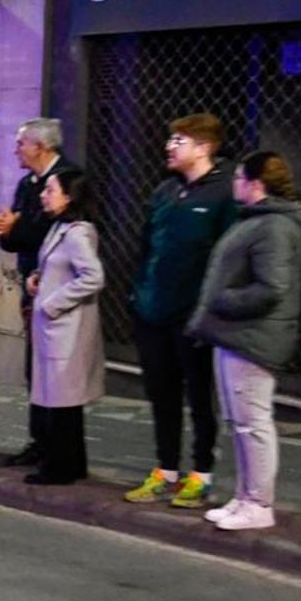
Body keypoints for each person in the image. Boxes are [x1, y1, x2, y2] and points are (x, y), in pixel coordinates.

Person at [187, 151, 301, 531]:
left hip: (253, 336)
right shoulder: (260, 220)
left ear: (255, 183)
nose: (234, 183)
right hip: (236, 334)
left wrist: (221, 300)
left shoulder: (274, 226)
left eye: (239, 177)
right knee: (240, 421)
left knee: (253, 423)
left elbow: (273, 287)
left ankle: (259, 504)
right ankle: (245, 497)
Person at [125, 113, 238, 508]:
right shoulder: (166, 191)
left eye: (179, 141)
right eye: (170, 139)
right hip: (153, 310)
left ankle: (201, 474)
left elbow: (230, 258)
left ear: (204, 147)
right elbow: (146, 246)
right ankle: (166, 469)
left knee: (200, 397)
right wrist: (138, 296)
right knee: (161, 394)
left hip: (196, 316)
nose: (169, 147)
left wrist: (211, 309)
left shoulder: (225, 192)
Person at [0, 118, 80, 468]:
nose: (16, 150)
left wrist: (18, 226)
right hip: (32, 285)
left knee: (57, 373)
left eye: (21, 143)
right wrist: (11, 229)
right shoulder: (27, 184)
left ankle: (61, 449)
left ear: (40, 146)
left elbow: (56, 230)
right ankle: (39, 441)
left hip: (59, 291)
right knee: (35, 371)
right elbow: (12, 237)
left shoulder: (69, 177)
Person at [23, 170, 106, 485]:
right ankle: (68, 463)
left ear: (69, 196)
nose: (44, 195)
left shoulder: (77, 232)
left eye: (51, 190)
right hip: (54, 328)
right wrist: (37, 278)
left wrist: (53, 302)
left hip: (66, 330)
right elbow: (57, 267)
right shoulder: (59, 227)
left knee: (63, 402)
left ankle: (60, 466)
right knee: (59, 400)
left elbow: (93, 276)